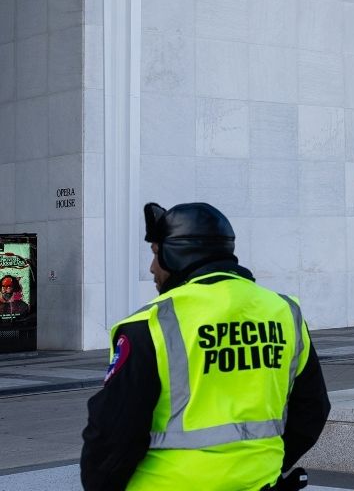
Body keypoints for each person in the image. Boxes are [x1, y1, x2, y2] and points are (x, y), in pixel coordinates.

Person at [81, 202, 329, 491]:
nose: (152, 268)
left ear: (176, 253)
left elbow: (113, 434)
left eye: (156, 254)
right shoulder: (284, 312)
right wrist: (264, 467)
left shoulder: (151, 324)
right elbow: (313, 409)